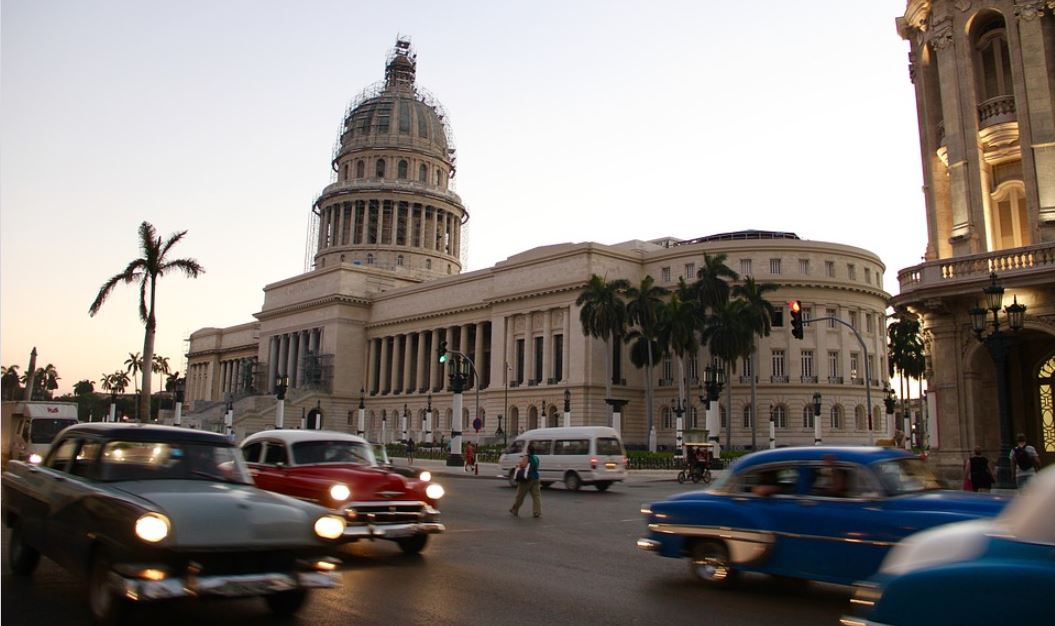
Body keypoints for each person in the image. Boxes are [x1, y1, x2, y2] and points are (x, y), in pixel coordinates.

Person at [509, 443, 541, 518]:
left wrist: (518, 465)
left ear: (528, 450)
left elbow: (523, 465)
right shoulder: (536, 458)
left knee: (520, 495)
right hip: (535, 478)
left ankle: (514, 509)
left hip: (527, 479)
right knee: (536, 496)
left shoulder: (526, 457)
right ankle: (537, 511)